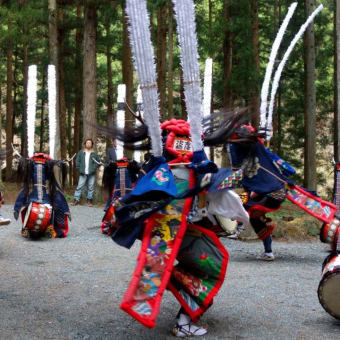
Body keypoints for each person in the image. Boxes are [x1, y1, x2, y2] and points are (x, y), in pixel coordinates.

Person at [72, 138, 101, 207]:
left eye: (90, 143)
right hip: (83, 173)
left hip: (92, 173)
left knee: (91, 187)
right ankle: (76, 199)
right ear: (85, 144)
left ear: (92, 145)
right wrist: (79, 169)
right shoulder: (81, 152)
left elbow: (98, 162)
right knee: (79, 186)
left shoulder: (94, 154)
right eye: (87, 143)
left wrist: (93, 169)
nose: (88, 144)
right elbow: (77, 161)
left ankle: (89, 200)